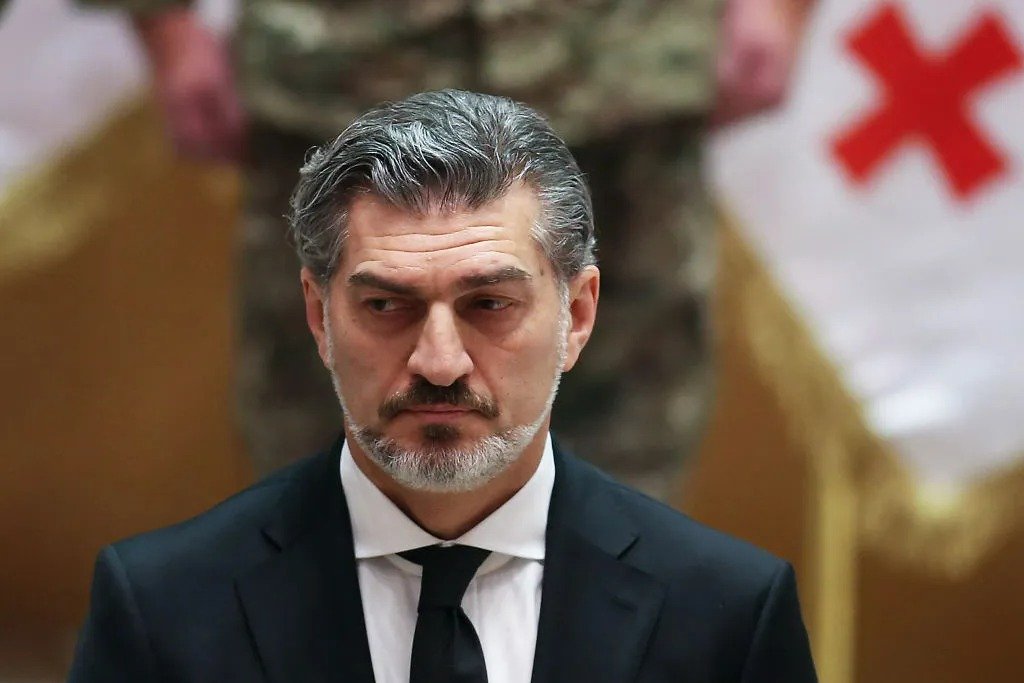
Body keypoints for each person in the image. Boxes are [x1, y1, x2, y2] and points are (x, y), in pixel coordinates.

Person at [69, 90, 817, 683]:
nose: (438, 362)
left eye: (488, 304)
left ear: (579, 315)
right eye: (385, 306)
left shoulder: (727, 613)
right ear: (319, 317)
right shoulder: (163, 606)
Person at [78, 0, 812, 496]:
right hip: (336, 72)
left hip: (618, 71)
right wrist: (167, 26)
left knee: (622, 451)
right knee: (321, 446)